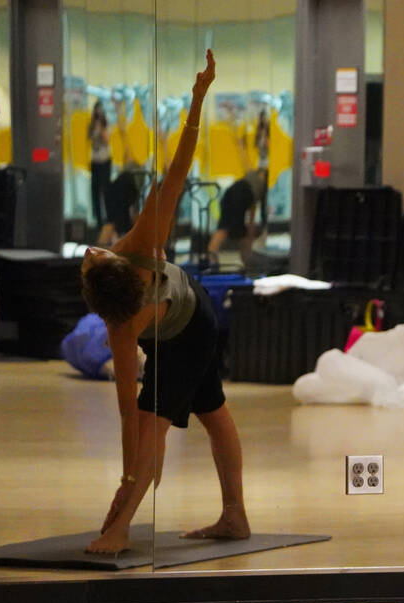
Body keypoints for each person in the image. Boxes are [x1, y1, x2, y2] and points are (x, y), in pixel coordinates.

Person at [80, 50, 251, 555]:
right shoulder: (121, 325)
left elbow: (180, 165)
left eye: (88, 257)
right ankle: (235, 516)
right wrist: (127, 474)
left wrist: (199, 99)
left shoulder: (142, 237)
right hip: (180, 326)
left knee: (159, 425)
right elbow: (124, 417)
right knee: (209, 413)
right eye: (91, 259)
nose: (90, 250)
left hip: (193, 320)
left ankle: (122, 530)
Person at [207, 169, 267, 268]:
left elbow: (252, 208)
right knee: (228, 229)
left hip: (231, 196)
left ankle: (212, 256)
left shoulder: (249, 179)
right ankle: (244, 259)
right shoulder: (257, 185)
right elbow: (253, 209)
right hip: (238, 198)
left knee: (226, 227)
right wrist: (250, 231)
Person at [88, 100, 112, 230]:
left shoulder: (106, 124)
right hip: (95, 161)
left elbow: (107, 139)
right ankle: (98, 221)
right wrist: (94, 123)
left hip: (105, 161)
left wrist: (101, 125)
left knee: (106, 190)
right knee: (95, 191)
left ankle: (108, 219)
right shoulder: (92, 125)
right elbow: (89, 137)